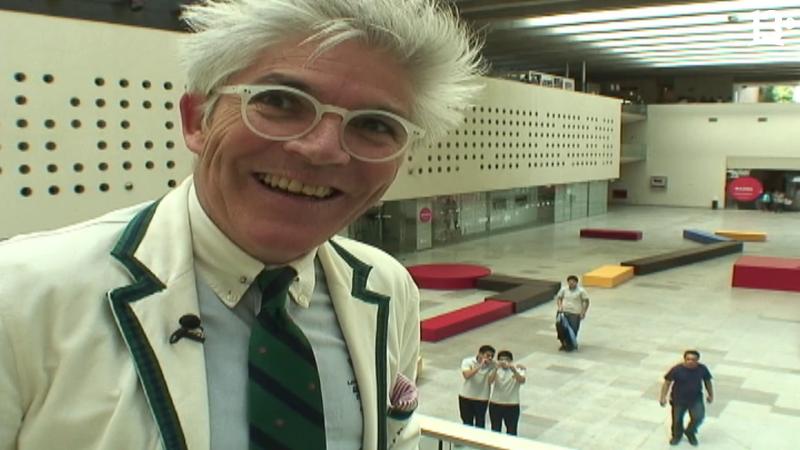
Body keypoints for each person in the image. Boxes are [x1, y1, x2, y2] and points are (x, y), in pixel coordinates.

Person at [0, 1, 485, 449]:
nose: (321, 149)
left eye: (375, 125)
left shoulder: (387, 287)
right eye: (281, 102)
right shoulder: (21, 299)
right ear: (197, 120)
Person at [659, 350, 714, 446]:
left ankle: (690, 431)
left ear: (697, 360)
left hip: (695, 399)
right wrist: (663, 397)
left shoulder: (702, 369)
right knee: (677, 420)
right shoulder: (677, 370)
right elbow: (667, 383)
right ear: (684, 359)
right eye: (688, 359)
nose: (690, 361)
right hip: (678, 400)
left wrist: (710, 394)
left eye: (693, 360)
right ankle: (677, 436)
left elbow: (707, 381)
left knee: (698, 417)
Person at [488, 350, 526, 436]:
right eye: (501, 360)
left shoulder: (519, 369)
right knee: (495, 430)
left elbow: (522, 380)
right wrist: (496, 369)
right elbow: (490, 381)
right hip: (495, 404)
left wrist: (514, 371)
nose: (504, 362)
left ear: (511, 361)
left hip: (512, 405)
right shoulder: (495, 369)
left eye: (506, 360)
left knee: (512, 430)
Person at [459, 345, 496, 428]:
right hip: (466, 396)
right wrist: (480, 366)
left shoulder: (493, 365)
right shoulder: (468, 361)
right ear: (480, 354)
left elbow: (491, 381)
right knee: (467, 423)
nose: (490, 358)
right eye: (487, 355)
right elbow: (467, 375)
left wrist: (496, 368)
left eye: (492, 356)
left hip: (482, 398)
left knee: (480, 423)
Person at [555, 275, 590, 351]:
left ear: (576, 282)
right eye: (570, 282)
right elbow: (559, 298)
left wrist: (583, 312)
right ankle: (563, 343)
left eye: (573, 282)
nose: (571, 283)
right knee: (561, 329)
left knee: (573, 330)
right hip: (563, 312)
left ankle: (570, 345)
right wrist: (560, 306)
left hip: (575, 314)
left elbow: (586, 302)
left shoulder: (581, 291)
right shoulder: (564, 289)